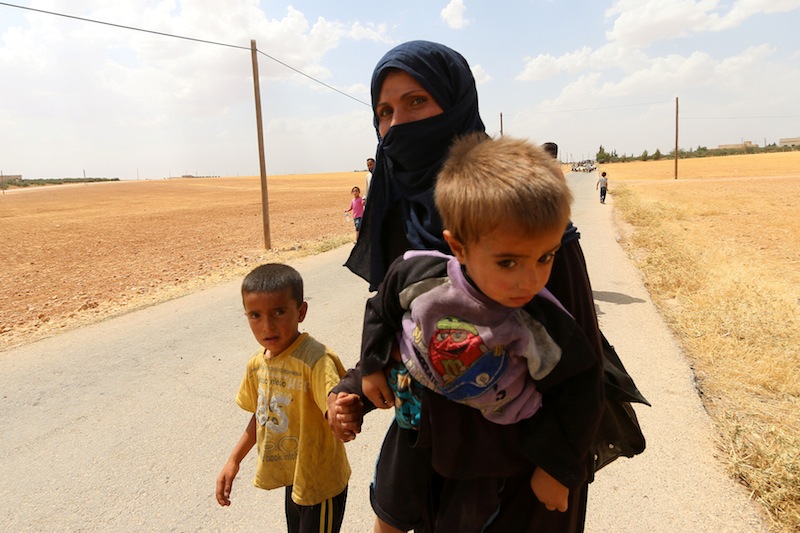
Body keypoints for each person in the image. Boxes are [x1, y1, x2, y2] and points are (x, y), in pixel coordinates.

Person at [330, 40, 605, 533]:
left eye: (417, 101)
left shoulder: (529, 226)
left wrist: (557, 464)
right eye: (385, 112)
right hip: (427, 455)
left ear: (456, 105)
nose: (397, 125)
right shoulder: (402, 217)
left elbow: (582, 364)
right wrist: (355, 386)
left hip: (516, 474)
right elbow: (407, 327)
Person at [216, 263, 350, 533]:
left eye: (278, 312)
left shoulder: (316, 360)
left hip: (320, 482)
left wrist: (342, 418)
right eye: (255, 315)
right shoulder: (257, 364)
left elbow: (333, 404)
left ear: (301, 312)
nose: (267, 326)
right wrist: (234, 460)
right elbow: (261, 415)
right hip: (295, 476)